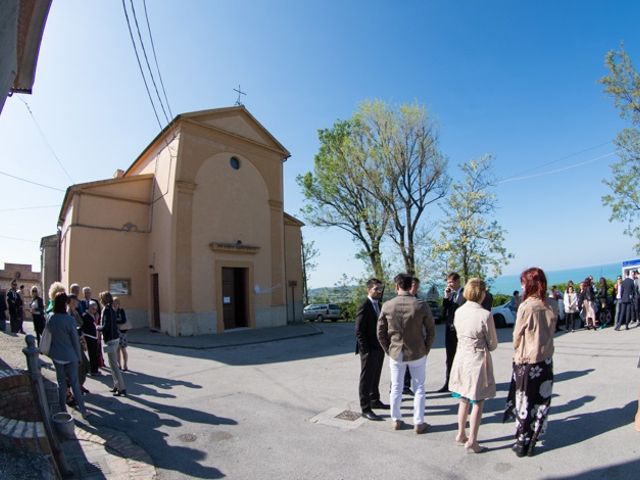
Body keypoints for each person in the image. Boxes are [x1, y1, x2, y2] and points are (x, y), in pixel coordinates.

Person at [504, 267, 556, 457]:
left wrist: (517, 349)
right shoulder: (551, 303)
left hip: (527, 359)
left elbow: (517, 334)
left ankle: (522, 441)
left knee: (524, 401)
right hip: (546, 359)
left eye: (523, 281)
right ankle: (534, 435)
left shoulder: (527, 306)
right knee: (541, 400)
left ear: (529, 283)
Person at [377, 273, 436, 434]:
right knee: (419, 388)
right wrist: (426, 348)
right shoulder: (420, 305)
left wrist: (388, 349)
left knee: (396, 387)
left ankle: (396, 419)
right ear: (411, 286)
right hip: (417, 352)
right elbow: (431, 330)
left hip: (396, 352)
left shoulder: (388, 305)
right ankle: (419, 422)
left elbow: (380, 332)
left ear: (396, 286)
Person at [449, 278, 498, 453]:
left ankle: (461, 433)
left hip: (461, 356)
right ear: (482, 293)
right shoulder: (485, 315)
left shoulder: (459, 311)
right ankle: (472, 440)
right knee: (477, 400)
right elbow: (492, 343)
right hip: (477, 358)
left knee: (463, 397)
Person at [46, 293, 87, 417]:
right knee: (75, 383)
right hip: (70, 355)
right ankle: (83, 411)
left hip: (56, 355)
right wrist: (79, 357)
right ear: (65, 304)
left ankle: (62, 410)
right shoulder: (69, 319)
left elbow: (49, 335)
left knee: (61, 384)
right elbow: (75, 340)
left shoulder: (51, 318)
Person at [355, 278, 387, 421]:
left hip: (379, 347)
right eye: (376, 289)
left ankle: (375, 400)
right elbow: (359, 331)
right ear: (368, 290)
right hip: (368, 349)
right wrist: (365, 349)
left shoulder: (379, 304)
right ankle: (365, 408)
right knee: (366, 378)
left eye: (380, 289)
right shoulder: (364, 305)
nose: (379, 291)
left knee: (376, 375)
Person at [98, 291, 127, 396]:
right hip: (114, 338)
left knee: (114, 365)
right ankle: (116, 385)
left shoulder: (106, 310)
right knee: (112, 364)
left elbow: (105, 326)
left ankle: (121, 388)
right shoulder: (111, 309)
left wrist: (98, 327)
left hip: (110, 339)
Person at [439, 272, 463, 393]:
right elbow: (444, 311)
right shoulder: (450, 295)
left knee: (461, 356)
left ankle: (460, 382)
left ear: (458, 281)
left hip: (461, 330)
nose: (450, 284)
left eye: (452, 282)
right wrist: (446, 296)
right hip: (449, 328)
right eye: (448, 282)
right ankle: (448, 382)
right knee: (449, 356)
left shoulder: (464, 293)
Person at [81, 301, 101, 376]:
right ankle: (93, 370)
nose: (94, 310)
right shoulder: (85, 315)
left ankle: (95, 369)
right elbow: (84, 327)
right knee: (92, 354)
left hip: (94, 337)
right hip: (89, 336)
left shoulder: (93, 315)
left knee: (95, 354)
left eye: (95, 309)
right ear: (89, 308)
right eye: (93, 308)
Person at [114, 297, 131, 371]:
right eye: (114, 303)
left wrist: (115, 321)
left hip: (122, 332)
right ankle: (119, 365)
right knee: (117, 349)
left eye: (116, 303)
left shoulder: (121, 311)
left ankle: (125, 365)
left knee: (123, 349)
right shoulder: (112, 311)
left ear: (119, 304)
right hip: (115, 332)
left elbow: (123, 320)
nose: (115, 305)